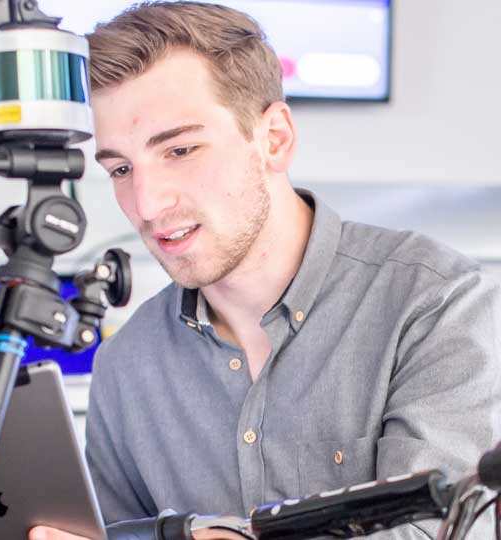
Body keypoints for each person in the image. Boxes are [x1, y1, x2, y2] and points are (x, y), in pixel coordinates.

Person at [30, 2, 501, 539]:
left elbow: (438, 532)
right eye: (120, 168)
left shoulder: (433, 302)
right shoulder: (125, 366)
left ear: (274, 138)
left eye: (181, 149)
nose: (147, 202)